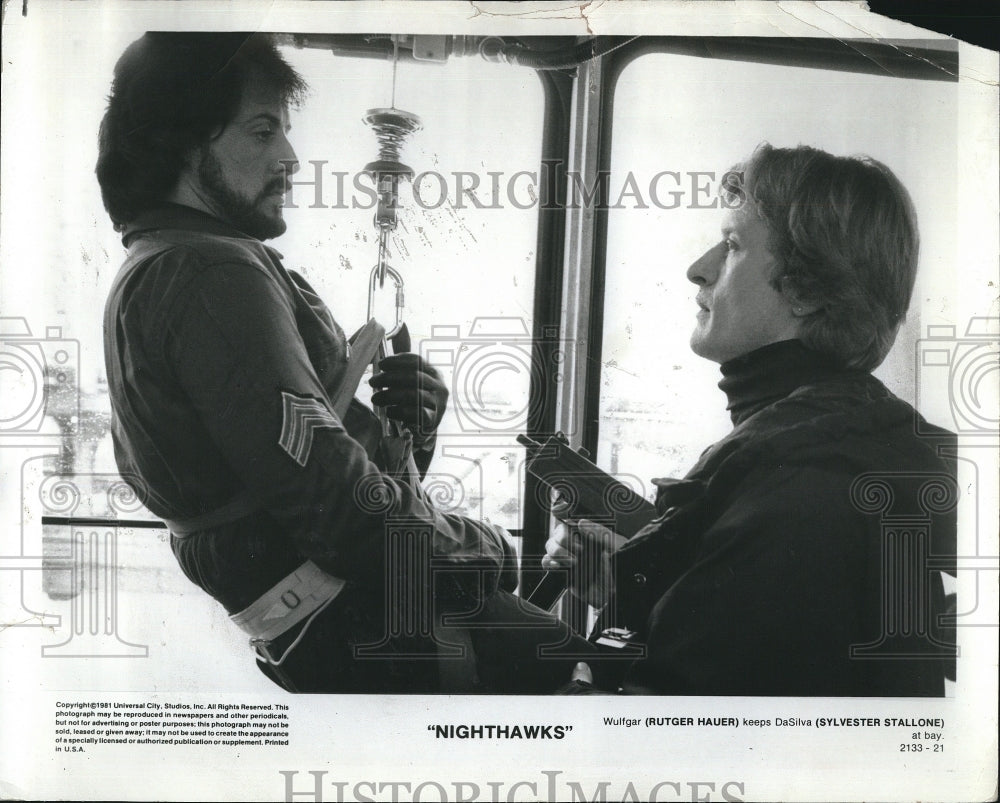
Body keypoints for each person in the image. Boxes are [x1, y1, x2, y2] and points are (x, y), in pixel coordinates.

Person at [98, 32, 583, 693]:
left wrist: (412, 431)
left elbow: (299, 473)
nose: (291, 157)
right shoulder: (212, 274)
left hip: (317, 623)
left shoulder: (164, 262)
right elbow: (344, 514)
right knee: (571, 660)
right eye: (262, 131)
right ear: (185, 144)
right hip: (357, 617)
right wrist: (488, 550)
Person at [544, 144, 957, 696]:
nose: (699, 269)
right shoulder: (836, 442)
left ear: (806, 290)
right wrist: (630, 589)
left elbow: (655, 739)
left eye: (733, 245)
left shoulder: (798, 486)